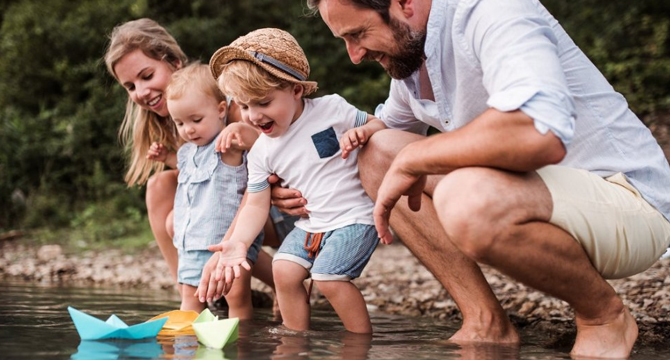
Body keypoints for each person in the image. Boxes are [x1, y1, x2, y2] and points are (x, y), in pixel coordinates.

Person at [288, 0, 670, 358]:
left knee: (465, 196)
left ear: (404, 2)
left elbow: (538, 130)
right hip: (545, 199)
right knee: (377, 153)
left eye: (357, 35)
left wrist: (417, 157)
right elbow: (378, 141)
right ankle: (486, 322)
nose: (354, 56)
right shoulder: (412, 57)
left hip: (628, 204)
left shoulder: (492, 10)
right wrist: (293, 188)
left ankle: (603, 316)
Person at [201, 28, 387, 333]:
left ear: (296, 90)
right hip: (311, 224)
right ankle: (295, 341)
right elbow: (256, 205)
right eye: (244, 106)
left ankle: (359, 343)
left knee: (329, 278)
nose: (253, 116)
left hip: (354, 216)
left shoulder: (332, 110)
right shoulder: (261, 150)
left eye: (263, 102)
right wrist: (238, 243)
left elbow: (379, 125)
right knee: (283, 270)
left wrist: (364, 132)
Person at [103, 18, 291, 299]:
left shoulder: (234, 108)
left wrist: (229, 242)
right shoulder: (178, 123)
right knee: (160, 187)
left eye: (147, 76)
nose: (140, 92)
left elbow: (269, 171)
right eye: (130, 86)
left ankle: (266, 284)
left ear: (175, 62)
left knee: (188, 221)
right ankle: (191, 293)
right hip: (233, 215)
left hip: (278, 208)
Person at [145, 62, 260, 316]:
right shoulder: (187, 152)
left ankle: (244, 342)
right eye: (180, 123)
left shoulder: (227, 144)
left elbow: (261, 146)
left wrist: (241, 130)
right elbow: (189, 170)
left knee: (237, 297)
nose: (189, 129)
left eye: (196, 120)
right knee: (190, 297)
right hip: (191, 242)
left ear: (221, 110)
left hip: (225, 242)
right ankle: (185, 348)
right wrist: (167, 158)